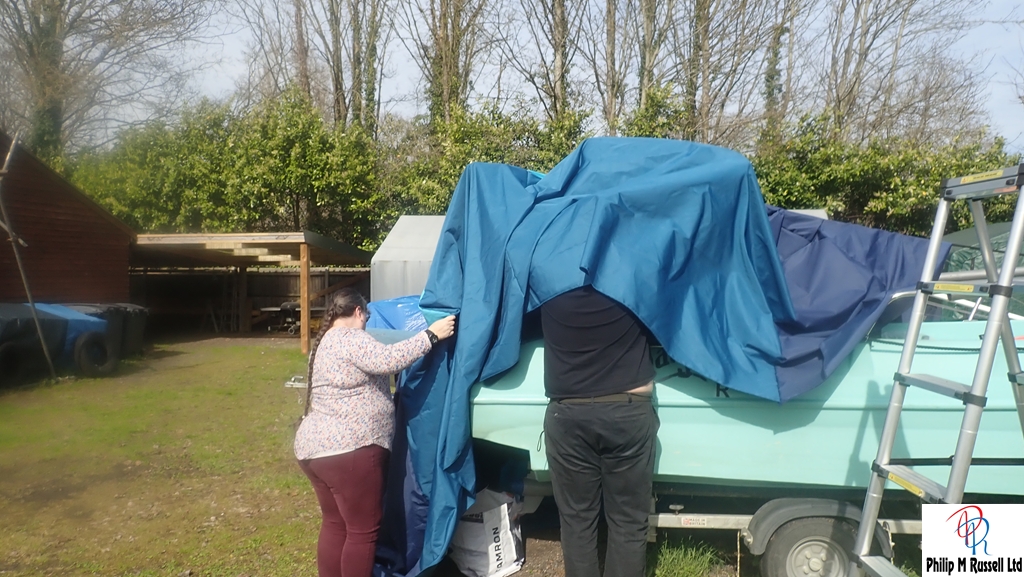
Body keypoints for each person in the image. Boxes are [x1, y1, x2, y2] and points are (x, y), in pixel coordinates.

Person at [294, 288, 456, 577]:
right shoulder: (351, 338)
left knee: (335, 524)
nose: (367, 323)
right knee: (362, 531)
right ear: (358, 312)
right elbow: (388, 359)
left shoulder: (326, 342)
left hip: (314, 450)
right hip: (351, 449)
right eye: (367, 317)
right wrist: (431, 335)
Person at [541, 284, 658, 577]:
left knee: (577, 522)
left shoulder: (548, 287)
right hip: (628, 409)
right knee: (628, 523)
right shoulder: (632, 283)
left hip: (568, 411)